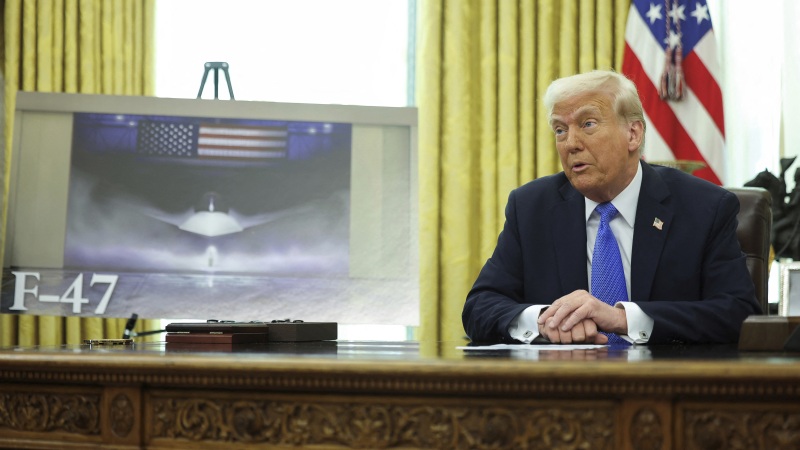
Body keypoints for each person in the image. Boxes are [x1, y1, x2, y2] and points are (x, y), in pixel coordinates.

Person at [462, 70, 762, 345]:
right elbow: (480, 306)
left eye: (587, 124)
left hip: (665, 389)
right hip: (563, 390)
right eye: (559, 130)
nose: (570, 144)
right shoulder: (532, 207)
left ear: (633, 134)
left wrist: (622, 319)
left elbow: (738, 313)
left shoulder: (703, 207)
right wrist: (545, 321)